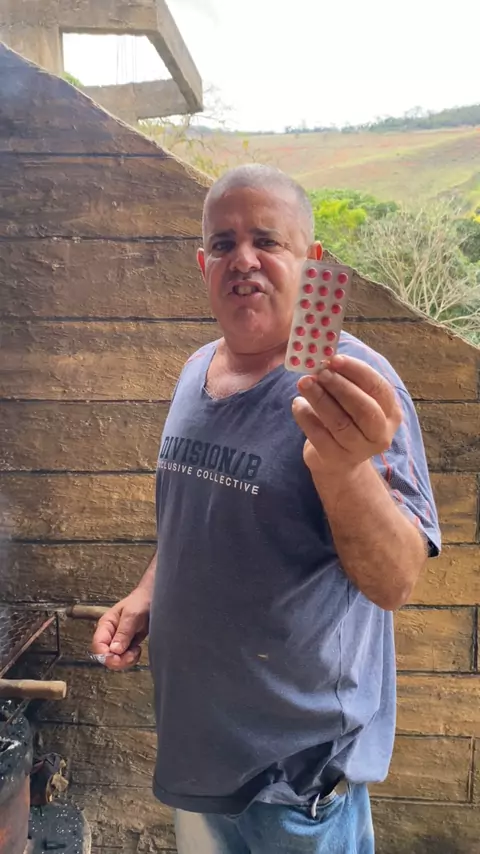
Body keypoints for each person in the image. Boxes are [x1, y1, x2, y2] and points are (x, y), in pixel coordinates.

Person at [92, 164, 441, 854]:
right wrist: (147, 594)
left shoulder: (349, 386)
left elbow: (395, 580)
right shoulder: (196, 370)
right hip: (199, 759)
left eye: (267, 240)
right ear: (204, 266)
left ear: (313, 262)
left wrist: (343, 468)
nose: (243, 259)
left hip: (296, 787)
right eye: (223, 244)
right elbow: (203, 513)